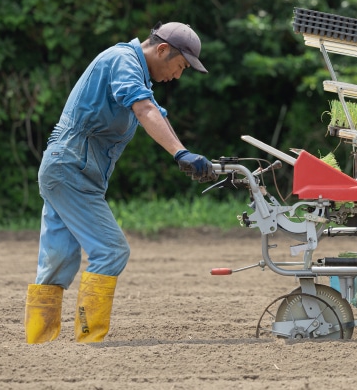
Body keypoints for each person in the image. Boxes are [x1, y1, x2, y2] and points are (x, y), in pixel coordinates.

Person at [24, 22, 217, 344]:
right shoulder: (123, 60)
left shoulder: (135, 72)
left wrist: (188, 155)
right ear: (162, 50)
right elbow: (143, 109)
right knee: (111, 251)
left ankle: (39, 341)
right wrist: (180, 153)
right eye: (180, 66)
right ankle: (89, 339)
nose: (178, 76)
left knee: (58, 256)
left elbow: (154, 110)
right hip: (70, 169)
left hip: (68, 169)